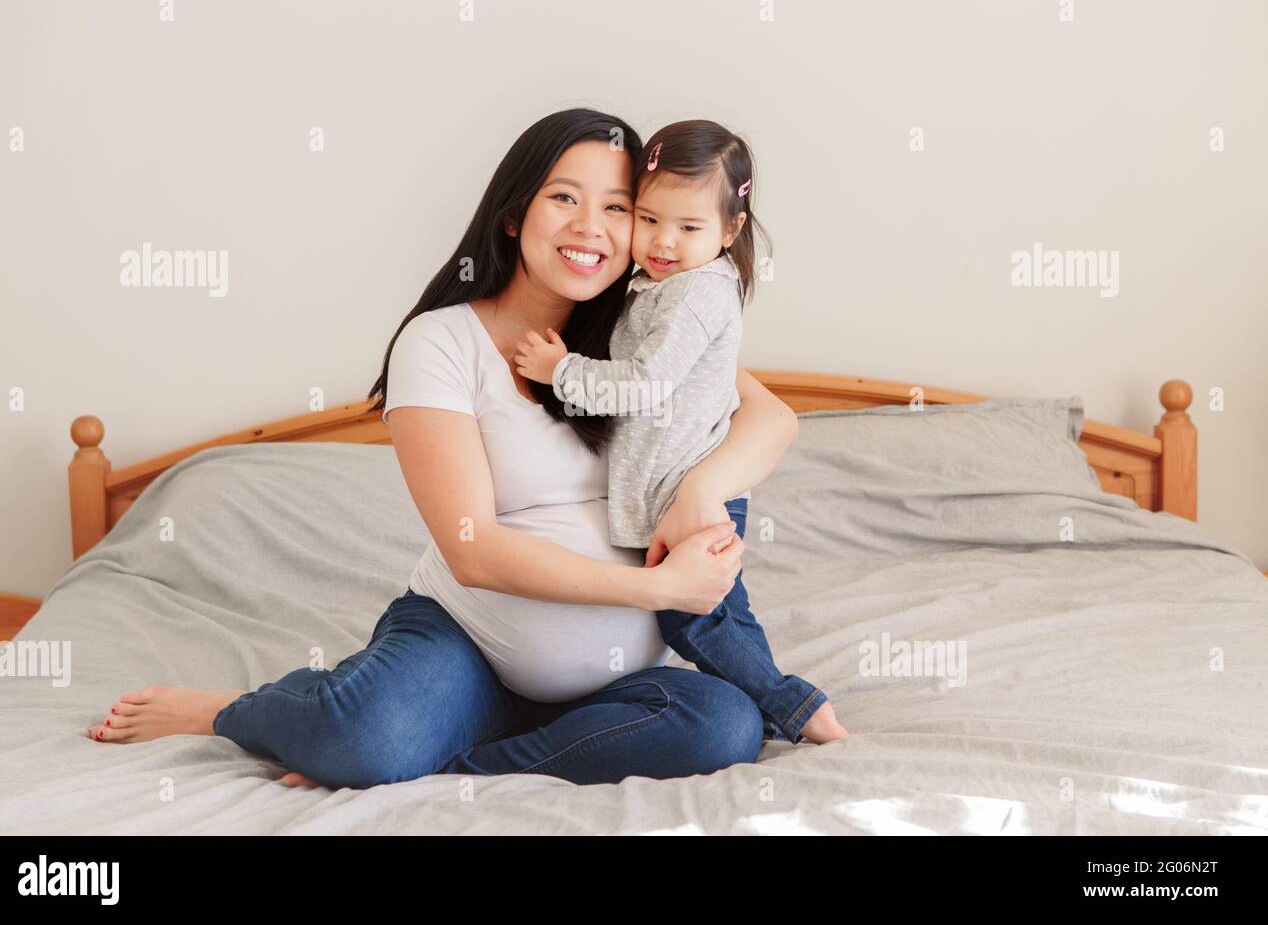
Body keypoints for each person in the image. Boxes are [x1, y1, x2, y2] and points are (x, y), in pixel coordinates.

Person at [87, 108, 843, 788]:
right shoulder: (443, 341)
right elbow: (472, 549)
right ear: (515, 215)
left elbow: (771, 418)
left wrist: (701, 491)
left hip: (611, 679)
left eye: (620, 208)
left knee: (723, 725)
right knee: (365, 738)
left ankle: (455, 756)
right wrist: (657, 591)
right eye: (564, 198)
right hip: (467, 643)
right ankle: (242, 711)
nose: (592, 227)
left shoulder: (645, 330)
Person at [514, 118, 846, 745]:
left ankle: (797, 708)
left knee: (698, 622)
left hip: (683, 498)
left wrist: (563, 371)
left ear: (731, 230)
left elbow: (644, 384)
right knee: (715, 618)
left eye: (689, 228)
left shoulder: (696, 296)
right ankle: (789, 704)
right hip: (663, 492)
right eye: (648, 218)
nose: (663, 241)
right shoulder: (657, 286)